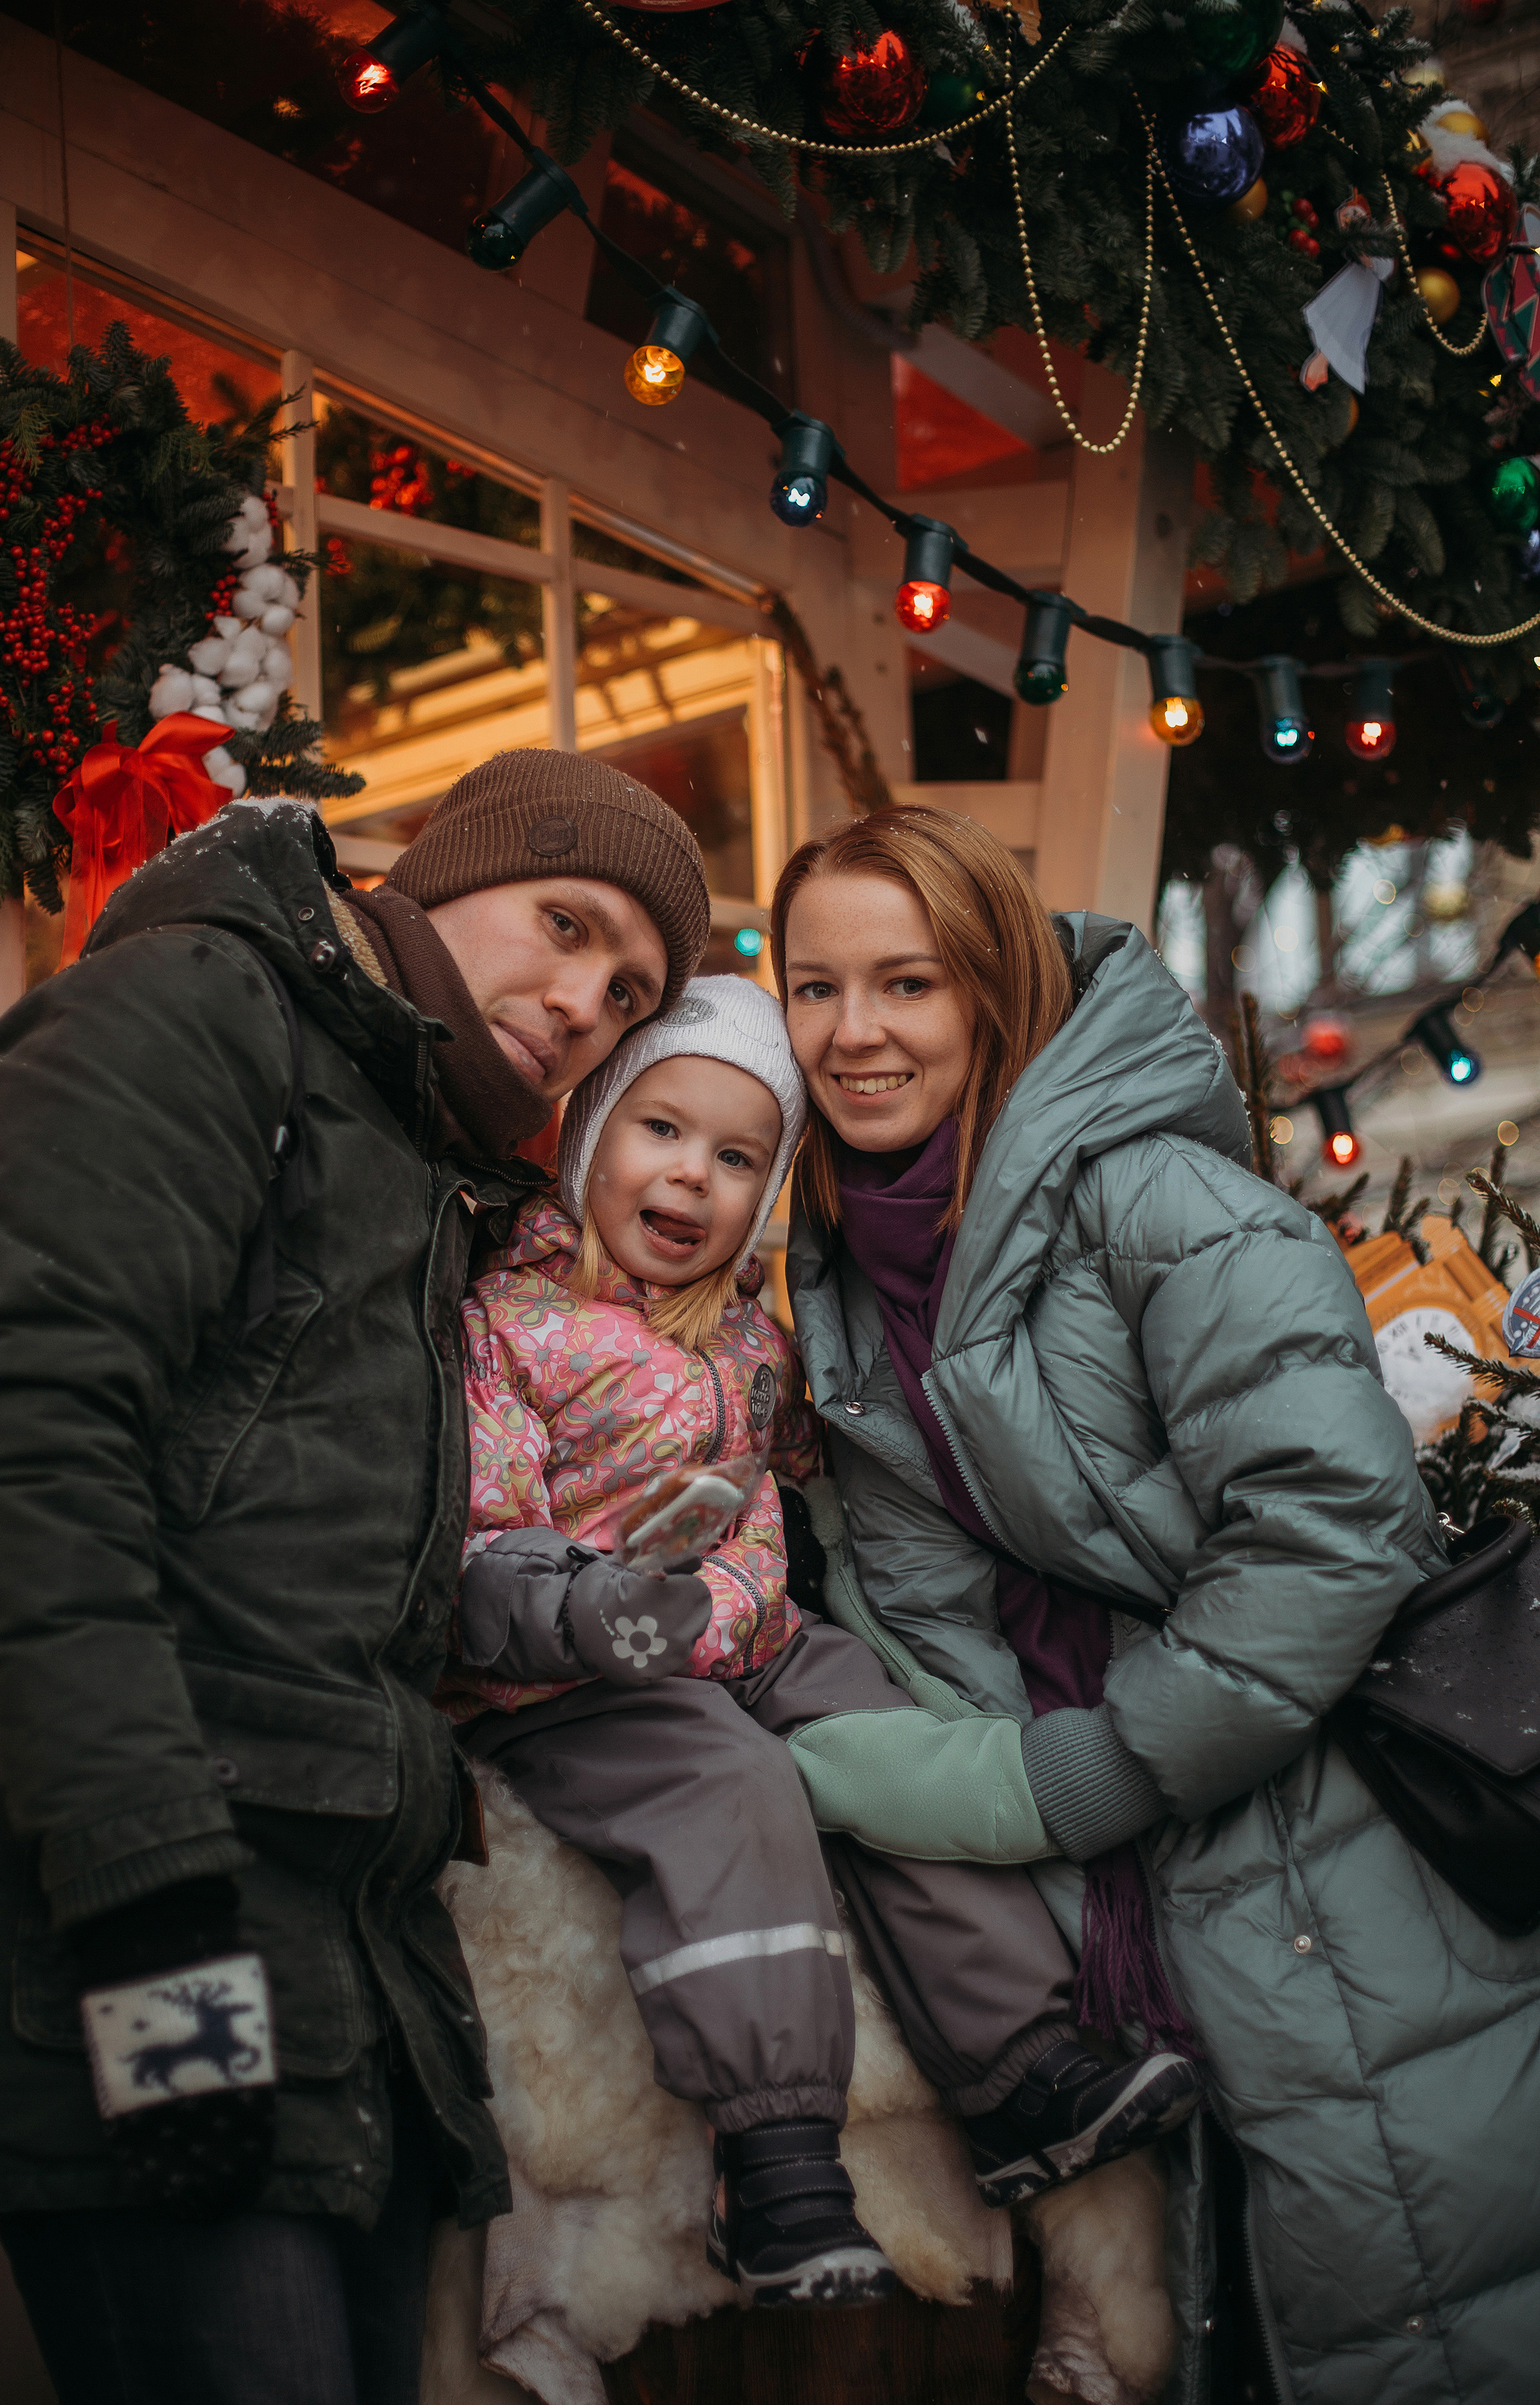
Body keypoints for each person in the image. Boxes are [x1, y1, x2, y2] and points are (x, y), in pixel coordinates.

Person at [0, 747, 710, 2405]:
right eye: (564, 929)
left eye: (630, 988)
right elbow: (23, 1445)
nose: (581, 1003)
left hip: (330, 1960)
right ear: (440, 876)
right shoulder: (195, 1013)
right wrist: (150, 1905)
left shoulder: (410, 1153)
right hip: (152, 1927)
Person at [769, 804, 1540, 2405]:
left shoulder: (1157, 1197)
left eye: (909, 980)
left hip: (1321, 1866)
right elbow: (925, 1606)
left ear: (997, 990)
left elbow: (1333, 1531)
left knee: (1428, 2375)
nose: (856, 1030)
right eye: (815, 986)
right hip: (1139, 1909)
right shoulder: (841, 1275)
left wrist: (1094, 1772)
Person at [444, 974, 1196, 2312]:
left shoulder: (751, 1340)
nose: (691, 1177)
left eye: (736, 1159)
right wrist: (585, 1606)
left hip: (748, 1635)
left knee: (883, 1742)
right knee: (727, 1785)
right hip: (574, 1665)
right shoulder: (503, 1322)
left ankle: (1021, 2069)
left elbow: (810, 1473)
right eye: (659, 1131)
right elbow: (480, 1529)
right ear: (589, 1137)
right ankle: (778, 2159)